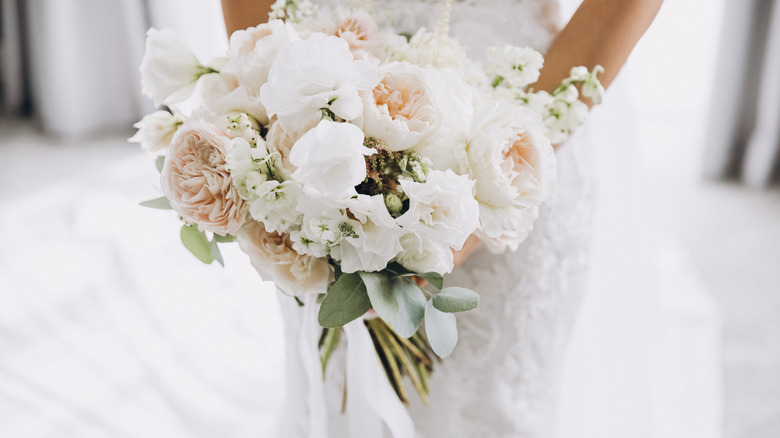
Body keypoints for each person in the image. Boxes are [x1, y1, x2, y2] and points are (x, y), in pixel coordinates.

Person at [221, 0, 666, 437]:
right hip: (313, 125)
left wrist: (489, 186)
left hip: (518, 120)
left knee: (487, 409)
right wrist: (278, 123)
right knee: (336, 390)